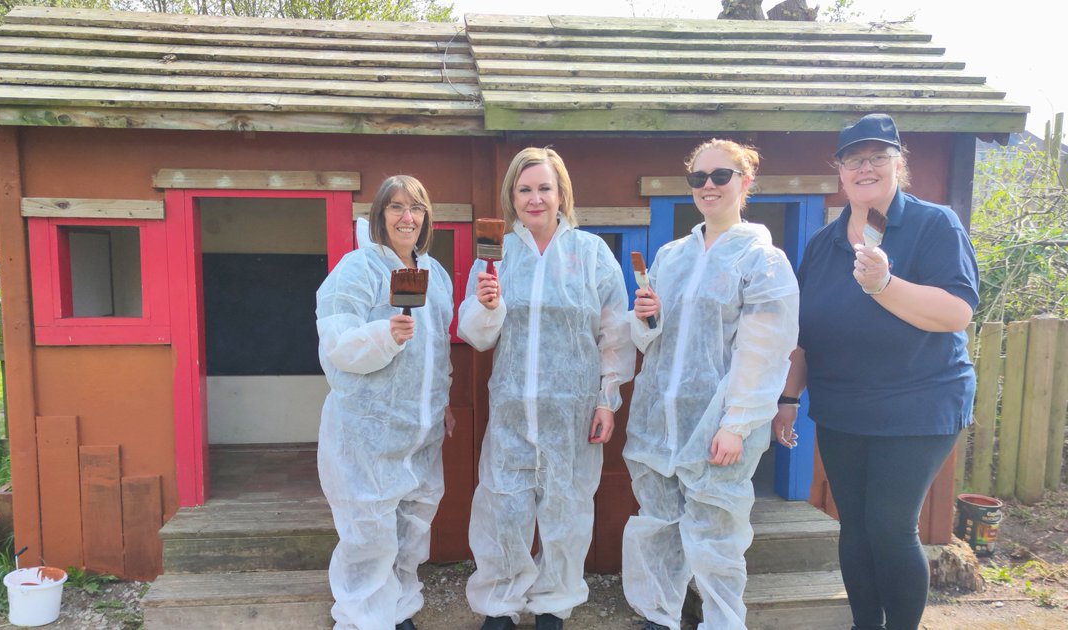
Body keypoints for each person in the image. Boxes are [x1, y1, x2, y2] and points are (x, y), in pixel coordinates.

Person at [772, 113, 978, 630]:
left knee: (890, 527)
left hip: (919, 404)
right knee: (855, 528)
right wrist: (789, 399)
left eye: (877, 157)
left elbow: (956, 312)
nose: (865, 168)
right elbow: (804, 332)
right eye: (853, 159)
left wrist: (884, 284)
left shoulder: (934, 225)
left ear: (897, 165)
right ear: (839, 172)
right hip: (844, 407)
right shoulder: (823, 245)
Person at [622, 140, 799, 630]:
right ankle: (657, 617)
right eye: (698, 178)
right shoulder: (672, 255)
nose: (708, 187)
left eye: (721, 176)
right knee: (658, 528)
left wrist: (737, 424)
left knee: (717, 540)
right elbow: (647, 339)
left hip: (717, 429)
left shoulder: (764, 261)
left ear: (745, 183)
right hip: (659, 425)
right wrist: (646, 319)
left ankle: (722, 623)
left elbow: (764, 352)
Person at [458, 147, 635, 630]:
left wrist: (607, 400)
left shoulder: (591, 254)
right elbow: (475, 334)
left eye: (544, 189)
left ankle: (554, 603)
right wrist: (487, 305)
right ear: (512, 197)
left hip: (573, 412)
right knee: (503, 506)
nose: (535, 199)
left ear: (561, 195)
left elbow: (614, 333)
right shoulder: (496, 256)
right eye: (524, 190)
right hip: (514, 409)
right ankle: (499, 603)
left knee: (568, 507)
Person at [315, 175, 455, 630]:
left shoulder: (437, 275)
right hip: (367, 431)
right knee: (369, 532)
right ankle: (362, 618)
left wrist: (444, 400)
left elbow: (439, 353)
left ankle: (397, 610)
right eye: (395, 207)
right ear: (380, 216)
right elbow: (336, 342)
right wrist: (384, 335)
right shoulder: (356, 270)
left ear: (426, 217)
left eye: (415, 207)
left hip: (420, 430)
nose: (407, 217)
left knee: (412, 527)